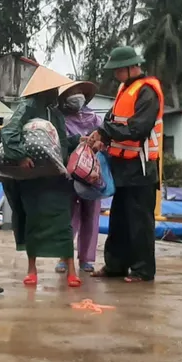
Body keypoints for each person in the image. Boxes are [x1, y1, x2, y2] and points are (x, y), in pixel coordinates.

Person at [0, 66, 80, 287]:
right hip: (32, 178)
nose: (57, 93)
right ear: (45, 89)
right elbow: (9, 132)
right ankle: (32, 269)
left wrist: (78, 143)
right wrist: (21, 156)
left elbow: (61, 143)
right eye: (54, 88)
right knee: (33, 222)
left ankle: (71, 270)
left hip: (56, 177)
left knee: (63, 223)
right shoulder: (28, 106)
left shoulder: (55, 113)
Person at [86, 46, 162, 283]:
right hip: (121, 166)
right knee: (119, 219)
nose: (116, 75)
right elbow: (110, 120)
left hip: (140, 168)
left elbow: (138, 129)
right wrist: (100, 134)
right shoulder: (124, 89)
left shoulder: (147, 91)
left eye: (119, 70)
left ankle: (142, 270)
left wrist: (104, 131)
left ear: (132, 67)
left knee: (140, 222)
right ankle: (115, 265)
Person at [56, 80, 103, 275]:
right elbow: (58, 144)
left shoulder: (95, 119)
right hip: (69, 174)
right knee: (67, 216)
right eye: (71, 93)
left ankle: (86, 259)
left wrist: (96, 142)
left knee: (90, 216)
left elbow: (105, 138)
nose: (76, 96)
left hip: (93, 173)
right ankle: (63, 257)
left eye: (78, 92)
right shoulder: (60, 120)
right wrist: (76, 140)